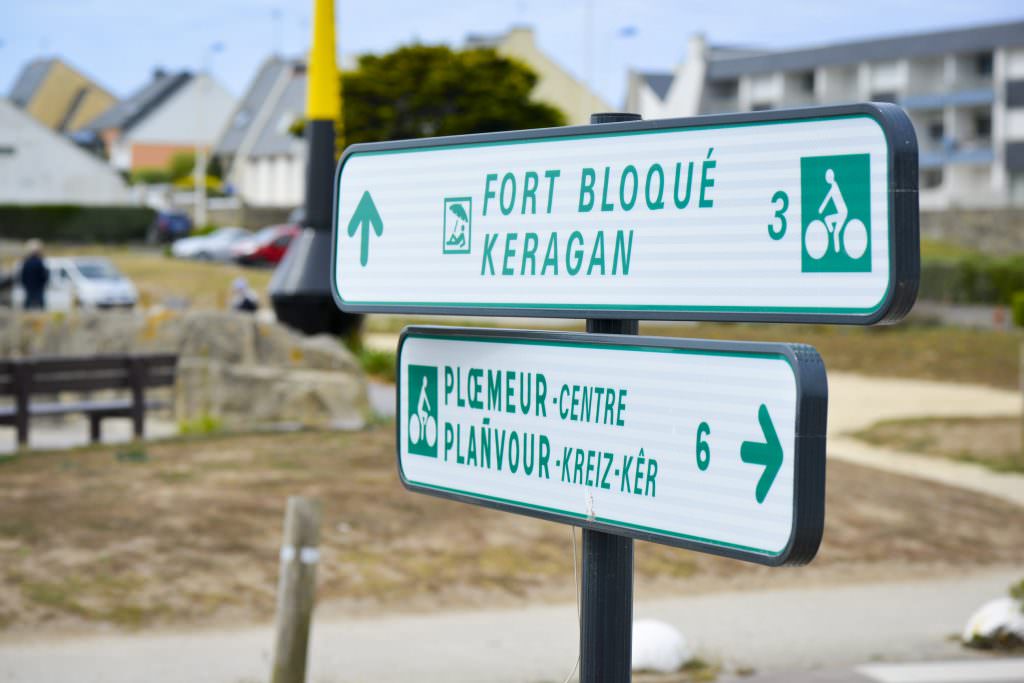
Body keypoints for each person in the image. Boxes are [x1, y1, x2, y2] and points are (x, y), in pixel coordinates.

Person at [817, 168, 848, 254]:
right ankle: (837, 252)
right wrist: (821, 208)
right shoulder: (834, 186)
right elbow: (828, 198)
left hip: (842, 213)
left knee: (827, 219)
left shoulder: (834, 186)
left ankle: (830, 229)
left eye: (827, 177)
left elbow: (827, 198)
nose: (826, 179)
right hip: (843, 213)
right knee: (836, 233)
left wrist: (821, 209)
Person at [19, 239, 49, 310]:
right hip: (38, 286)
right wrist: (43, 283)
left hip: (29, 286)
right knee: (40, 304)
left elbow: (23, 275)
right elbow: (44, 275)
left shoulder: (26, 262)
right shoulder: (39, 262)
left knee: (28, 304)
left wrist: (25, 284)